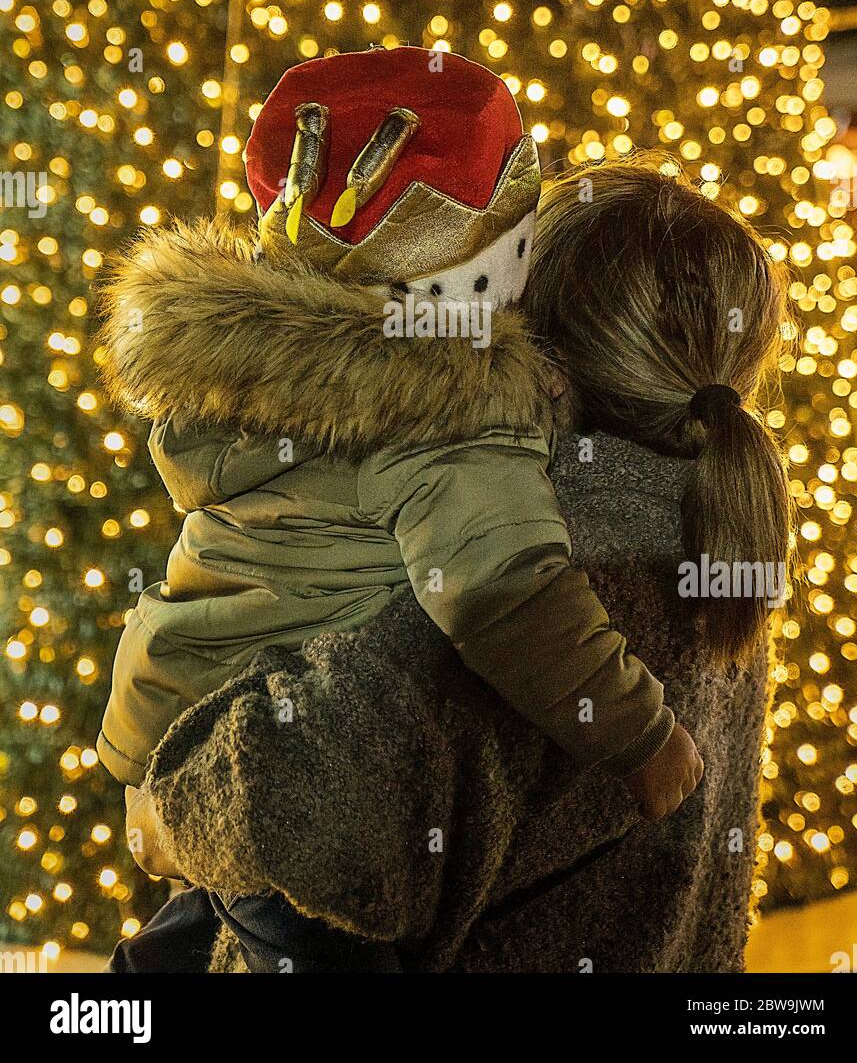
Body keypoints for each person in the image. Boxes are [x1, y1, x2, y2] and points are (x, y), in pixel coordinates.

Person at [99, 51, 700, 972]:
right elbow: (510, 598)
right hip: (285, 786)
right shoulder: (452, 419)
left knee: (184, 945)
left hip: (171, 705)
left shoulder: (246, 379)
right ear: (496, 261)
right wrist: (640, 735)